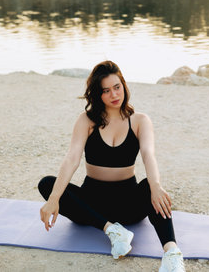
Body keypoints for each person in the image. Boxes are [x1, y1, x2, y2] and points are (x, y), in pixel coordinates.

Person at [38, 60, 185, 272]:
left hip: (129, 203)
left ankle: (172, 253)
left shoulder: (140, 121)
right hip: (92, 205)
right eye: (106, 91)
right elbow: (72, 159)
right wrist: (53, 199)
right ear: (98, 94)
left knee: (151, 187)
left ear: (124, 85)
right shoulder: (87, 120)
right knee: (47, 184)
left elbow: (148, 155)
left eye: (117, 87)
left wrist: (156, 185)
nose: (114, 95)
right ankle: (113, 231)